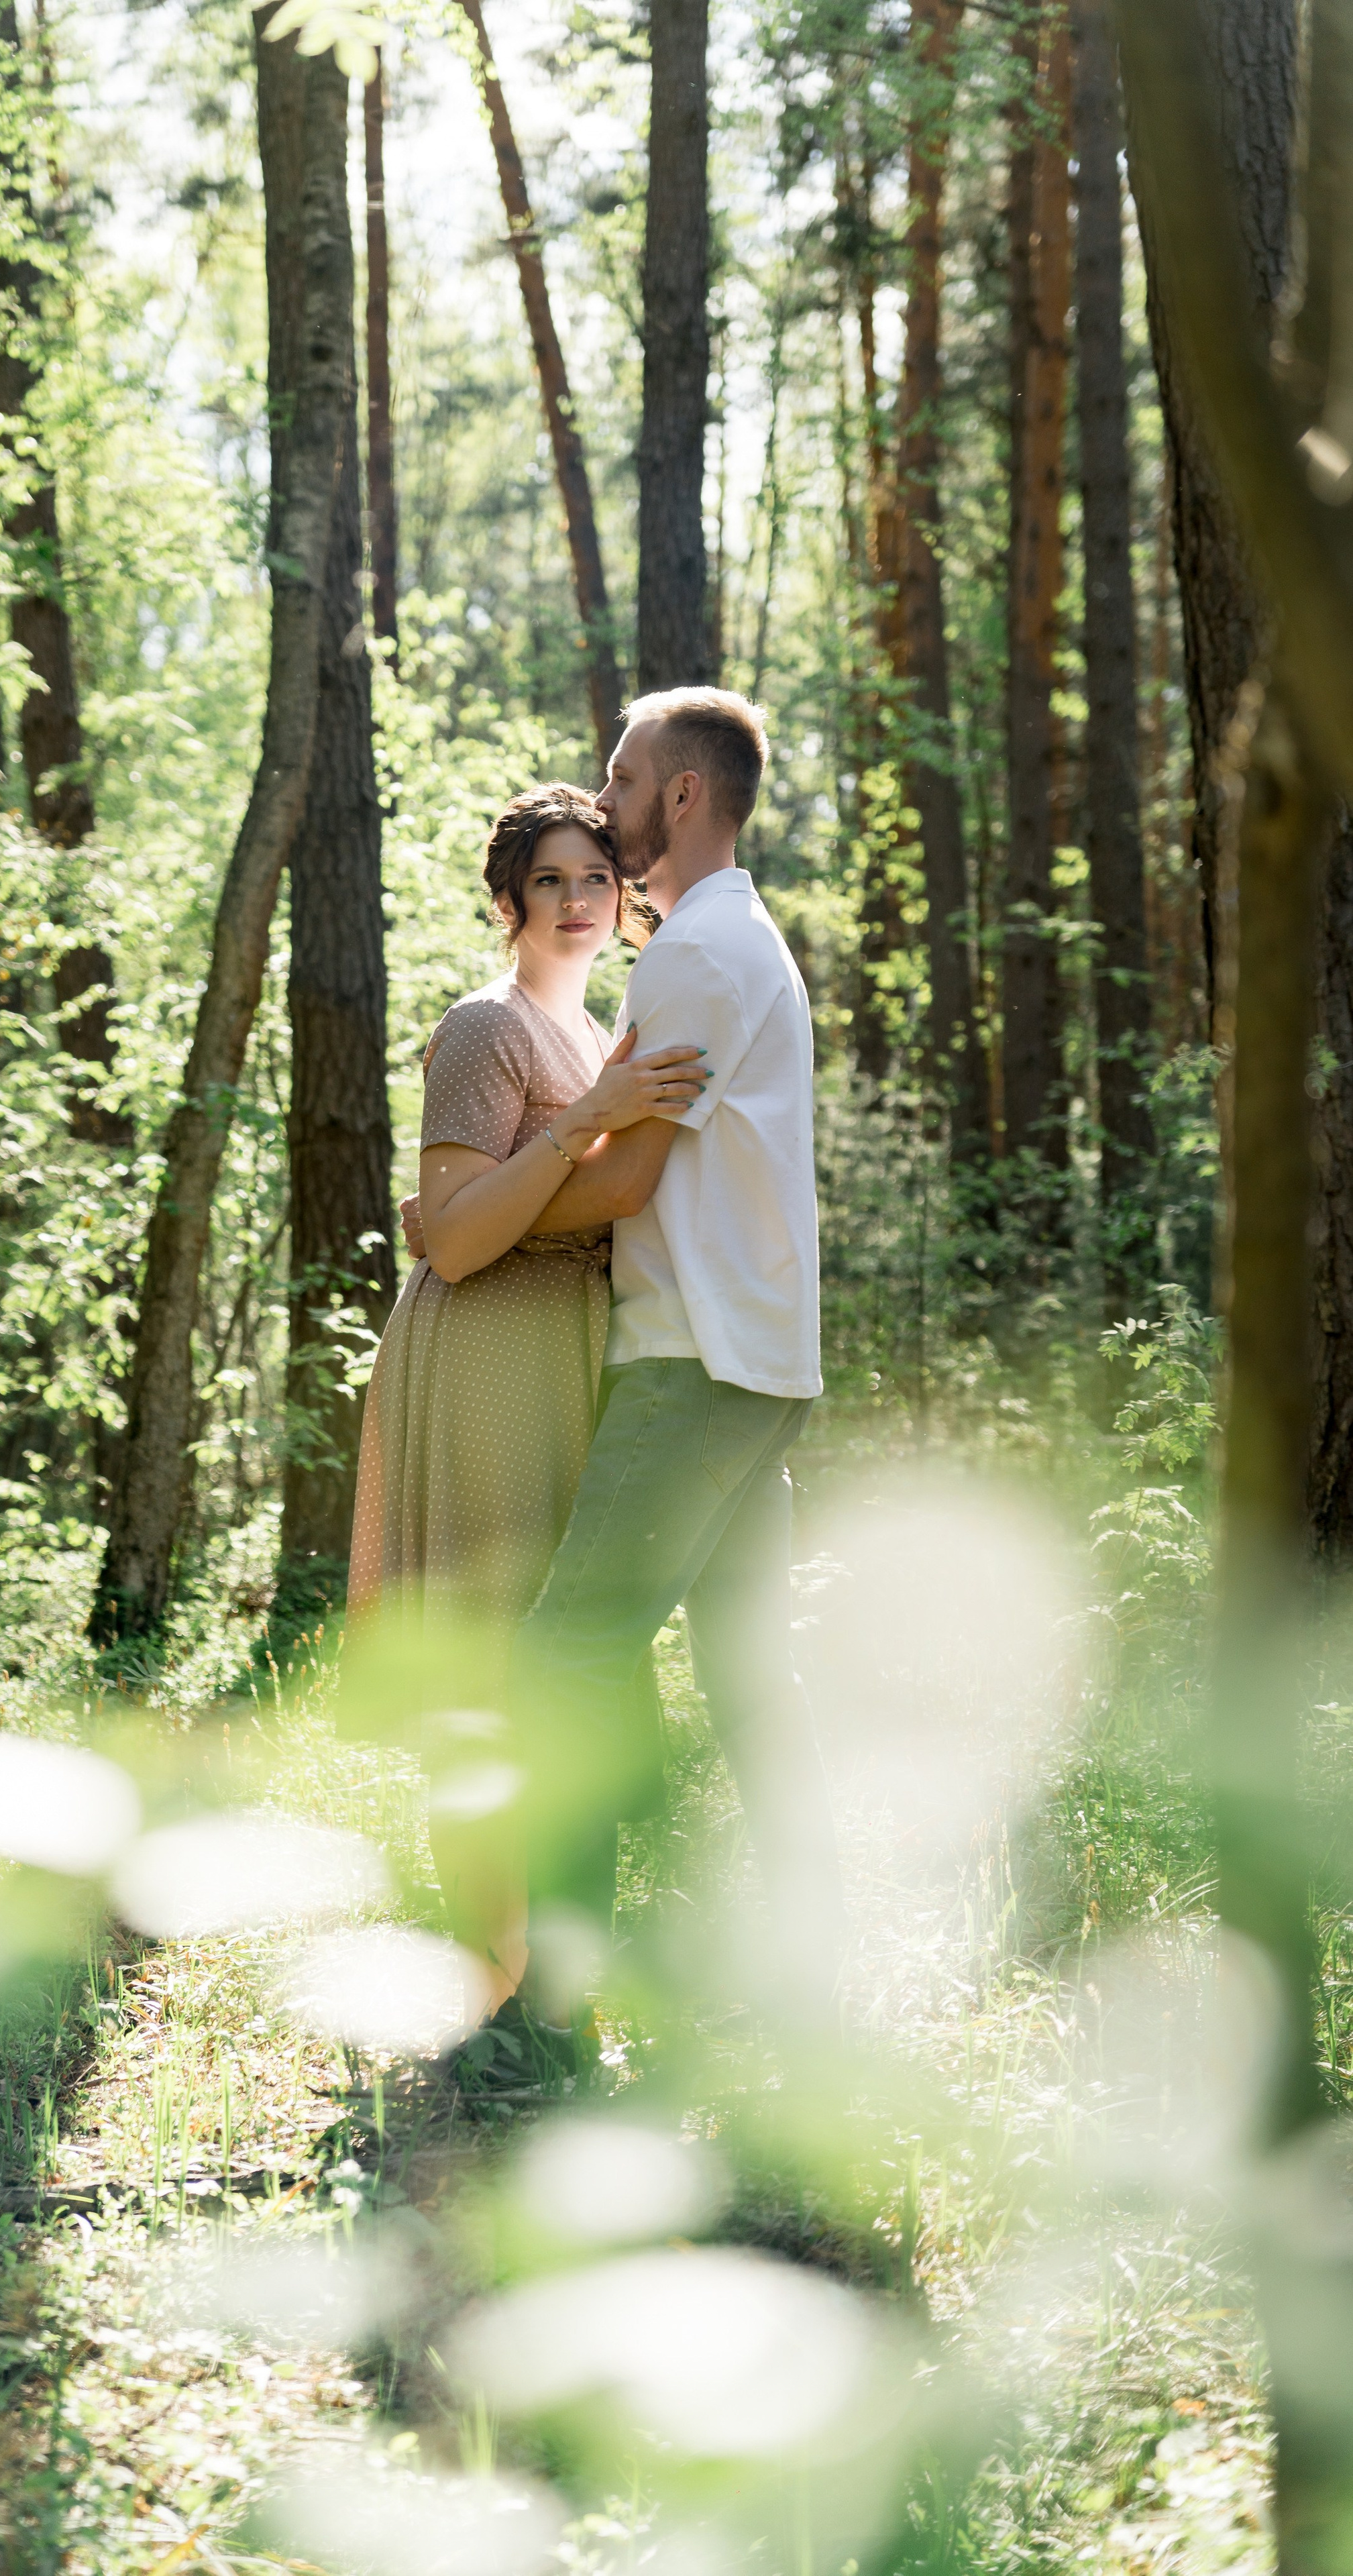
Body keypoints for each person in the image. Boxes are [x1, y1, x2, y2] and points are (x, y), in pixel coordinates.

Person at [346, 782, 710, 2012]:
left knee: (551, 1663)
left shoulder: (595, 1029)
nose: (573, 902)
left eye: (594, 881)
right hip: (485, 1350)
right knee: (493, 1671)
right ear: (509, 902)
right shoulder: (486, 1028)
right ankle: (492, 1988)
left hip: (565, 1349)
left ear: (623, 901)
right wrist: (588, 1126)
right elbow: (449, 1244)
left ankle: (543, 1974)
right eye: (547, 881)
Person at [502, 688, 834, 2033]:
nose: (606, 792)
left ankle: (553, 2015)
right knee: (753, 1684)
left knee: (562, 1665)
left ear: (681, 795)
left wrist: (477, 1223)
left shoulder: (694, 956)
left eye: (622, 774)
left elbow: (627, 1178)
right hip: (754, 1366)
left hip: (690, 1360)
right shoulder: (733, 938)